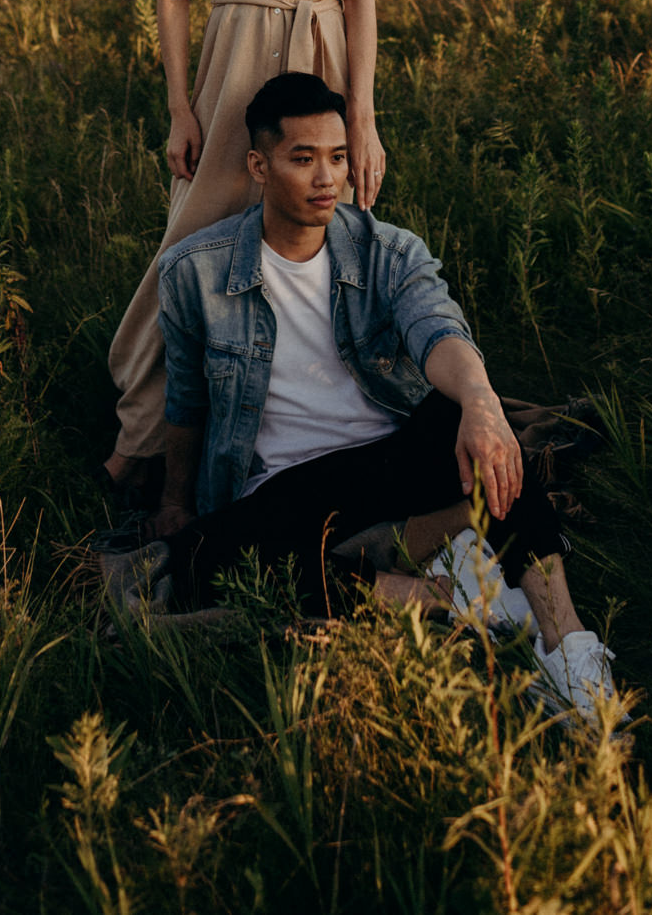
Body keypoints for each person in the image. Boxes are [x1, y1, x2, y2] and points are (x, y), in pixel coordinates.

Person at [153, 72, 619, 722]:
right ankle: (435, 593)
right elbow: (186, 402)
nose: (326, 178)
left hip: (389, 453)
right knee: (197, 559)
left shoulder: (388, 253)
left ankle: (567, 649)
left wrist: (483, 402)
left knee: (469, 421)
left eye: (338, 157)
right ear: (259, 166)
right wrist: (174, 501)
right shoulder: (194, 274)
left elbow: (439, 333)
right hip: (285, 486)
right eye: (304, 158)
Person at [105, 0, 408, 499]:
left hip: (321, 78)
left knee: (332, 253)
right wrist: (180, 108)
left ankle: (327, 434)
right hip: (230, 72)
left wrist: (364, 122)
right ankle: (139, 442)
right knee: (186, 253)